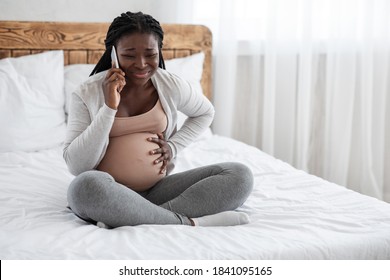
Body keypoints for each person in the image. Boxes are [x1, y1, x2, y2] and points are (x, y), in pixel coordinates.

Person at [63, 11, 253, 228]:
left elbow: (205, 113)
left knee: (239, 175)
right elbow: (77, 165)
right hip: (108, 189)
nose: (142, 64)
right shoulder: (86, 93)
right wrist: (109, 107)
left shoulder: (170, 84)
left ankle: (130, 215)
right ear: (113, 53)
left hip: (158, 191)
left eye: (150, 54)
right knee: (84, 187)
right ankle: (188, 222)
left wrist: (173, 146)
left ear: (159, 52)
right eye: (130, 55)